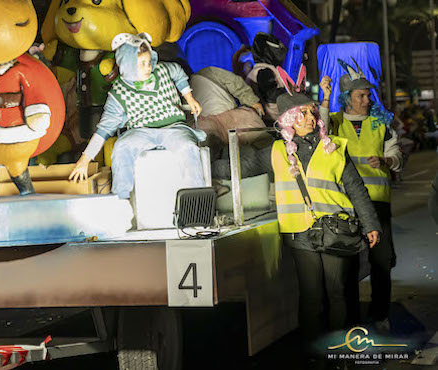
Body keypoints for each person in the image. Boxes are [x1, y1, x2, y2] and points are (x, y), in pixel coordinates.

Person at [215, 66, 381, 360]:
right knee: (312, 297)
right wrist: (205, 160)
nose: (311, 117)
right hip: (299, 235)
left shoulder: (334, 148)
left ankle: (339, 353)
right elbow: (241, 166)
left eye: (311, 111)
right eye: (303, 113)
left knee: (337, 293)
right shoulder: (276, 152)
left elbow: (356, 189)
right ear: (289, 120)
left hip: (335, 229)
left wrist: (371, 224)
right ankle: (314, 354)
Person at [69, 32, 205, 197]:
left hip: (174, 128)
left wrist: (189, 98)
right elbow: (104, 129)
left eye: (148, 62)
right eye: (142, 64)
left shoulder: (162, 70)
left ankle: (196, 198)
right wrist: (84, 160)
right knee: (122, 147)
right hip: (141, 131)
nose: (148, 67)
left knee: (188, 147)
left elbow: (178, 73)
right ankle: (122, 197)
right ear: (128, 65)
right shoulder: (119, 93)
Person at [320, 61, 402, 330]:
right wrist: (325, 97)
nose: (367, 100)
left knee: (381, 262)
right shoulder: (335, 122)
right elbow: (320, 130)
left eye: (368, 95)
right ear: (347, 99)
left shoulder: (381, 122)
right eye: (361, 96)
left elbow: (397, 155)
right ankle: (352, 319)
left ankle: (380, 315)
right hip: (346, 204)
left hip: (377, 202)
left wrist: (387, 161)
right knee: (350, 265)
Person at [189, 66, 267, 156]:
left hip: (227, 119)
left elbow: (233, 81)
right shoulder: (206, 73)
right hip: (229, 119)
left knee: (262, 145)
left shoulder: (206, 73)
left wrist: (251, 101)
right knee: (262, 146)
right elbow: (233, 82)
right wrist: (252, 101)